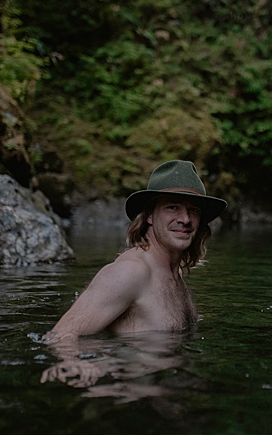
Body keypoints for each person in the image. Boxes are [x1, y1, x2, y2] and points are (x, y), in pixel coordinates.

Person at [42, 160, 225, 386]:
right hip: (125, 403)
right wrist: (76, 362)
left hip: (162, 393)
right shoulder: (131, 272)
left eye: (193, 210)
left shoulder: (174, 276)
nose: (185, 219)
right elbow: (59, 336)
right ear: (149, 215)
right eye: (172, 207)